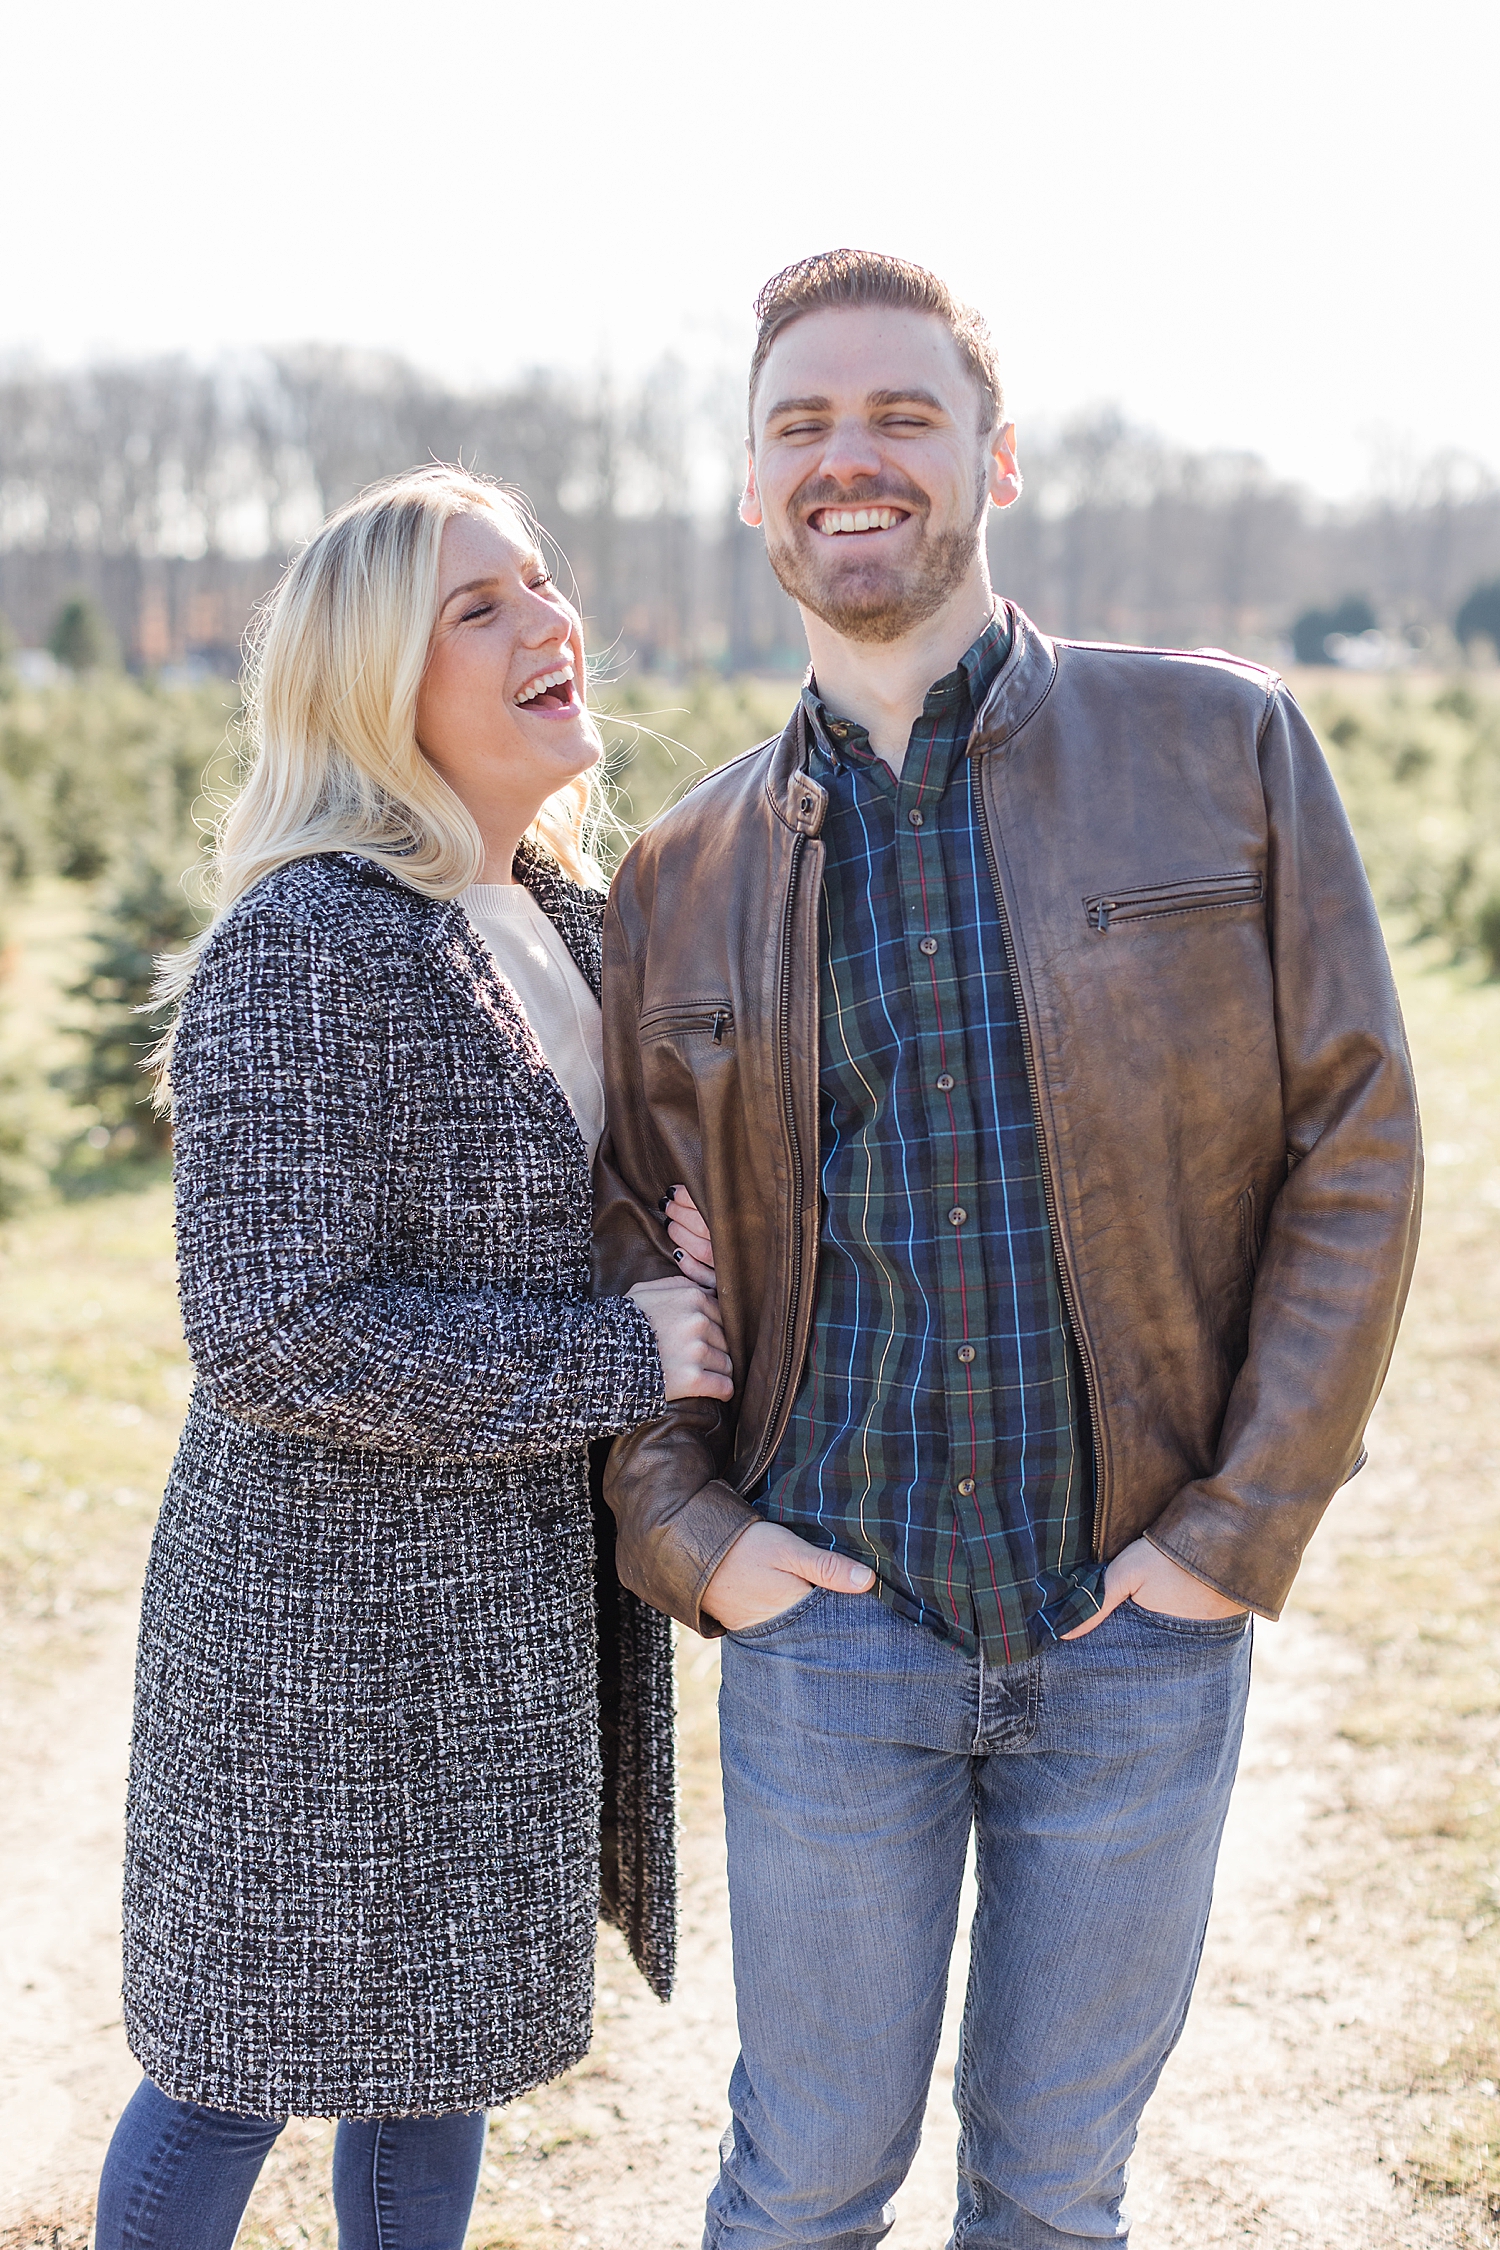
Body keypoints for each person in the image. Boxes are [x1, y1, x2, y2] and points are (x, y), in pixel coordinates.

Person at [593, 250, 1422, 2248]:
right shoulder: (681, 872)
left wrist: (1233, 1536)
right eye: (801, 423)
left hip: (1131, 1620)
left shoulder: (1220, 749)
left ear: (996, 459)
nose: (847, 459)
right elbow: (617, 1253)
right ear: (749, 483)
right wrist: (688, 1535)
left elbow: (1355, 1149)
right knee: (802, 2188)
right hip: (832, 1635)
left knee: (1056, 2194)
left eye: (900, 415)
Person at [94, 466, 732, 2250]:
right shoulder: (306, 945)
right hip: (320, 1632)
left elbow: (575, 1206)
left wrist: (682, 1250)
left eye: (542, 581)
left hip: (502, 1614)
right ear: (379, 687)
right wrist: (619, 1350)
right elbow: (274, 1326)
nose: (551, 621)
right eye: (481, 605)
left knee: (434, 2057)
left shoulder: (572, 914)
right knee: (233, 2067)